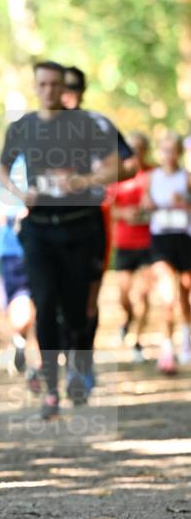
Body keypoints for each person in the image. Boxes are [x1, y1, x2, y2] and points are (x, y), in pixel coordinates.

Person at [0, 61, 119, 419]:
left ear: (63, 87)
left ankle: (79, 369)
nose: (49, 91)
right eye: (43, 84)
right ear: (35, 86)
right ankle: (51, 388)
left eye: (55, 85)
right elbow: (3, 168)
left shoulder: (84, 125)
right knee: (45, 304)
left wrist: (82, 182)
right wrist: (21, 192)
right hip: (39, 230)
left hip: (80, 227)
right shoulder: (23, 127)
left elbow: (114, 165)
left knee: (77, 307)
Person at [60, 65, 135, 390]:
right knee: (55, 295)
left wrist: (93, 178)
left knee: (88, 298)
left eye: (75, 88)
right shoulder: (38, 126)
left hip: (91, 219)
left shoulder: (98, 125)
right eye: (64, 88)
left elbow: (130, 164)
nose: (68, 94)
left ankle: (83, 360)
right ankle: (64, 365)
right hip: (47, 224)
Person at [0, 160, 40, 389]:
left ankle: (36, 366)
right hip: (12, 248)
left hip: (43, 247)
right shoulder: (2, 167)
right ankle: (22, 342)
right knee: (24, 310)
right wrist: (4, 219)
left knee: (40, 306)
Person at [142, 132, 191, 373]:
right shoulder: (152, 177)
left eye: (173, 150)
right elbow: (143, 204)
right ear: (159, 152)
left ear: (179, 154)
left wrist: (185, 203)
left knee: (184, 294)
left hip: (184, 237)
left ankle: (186, 341)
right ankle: (167, 348)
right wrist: (147, 205)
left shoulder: (187, 178)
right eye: (164, 150)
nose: (168, 155)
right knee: (168, 294)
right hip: (161, 238)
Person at [107, 132, 153, 363]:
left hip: (149, 243)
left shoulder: (153, 174)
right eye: (131, 148)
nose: (135, 153)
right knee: (124, 297)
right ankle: (127, 321)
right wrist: (125, 213)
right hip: (124, 243)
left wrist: (149, 211)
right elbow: (109, 210)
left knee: (142, 295)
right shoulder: (118, 175)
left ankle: (137, 339)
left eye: (139, 148)